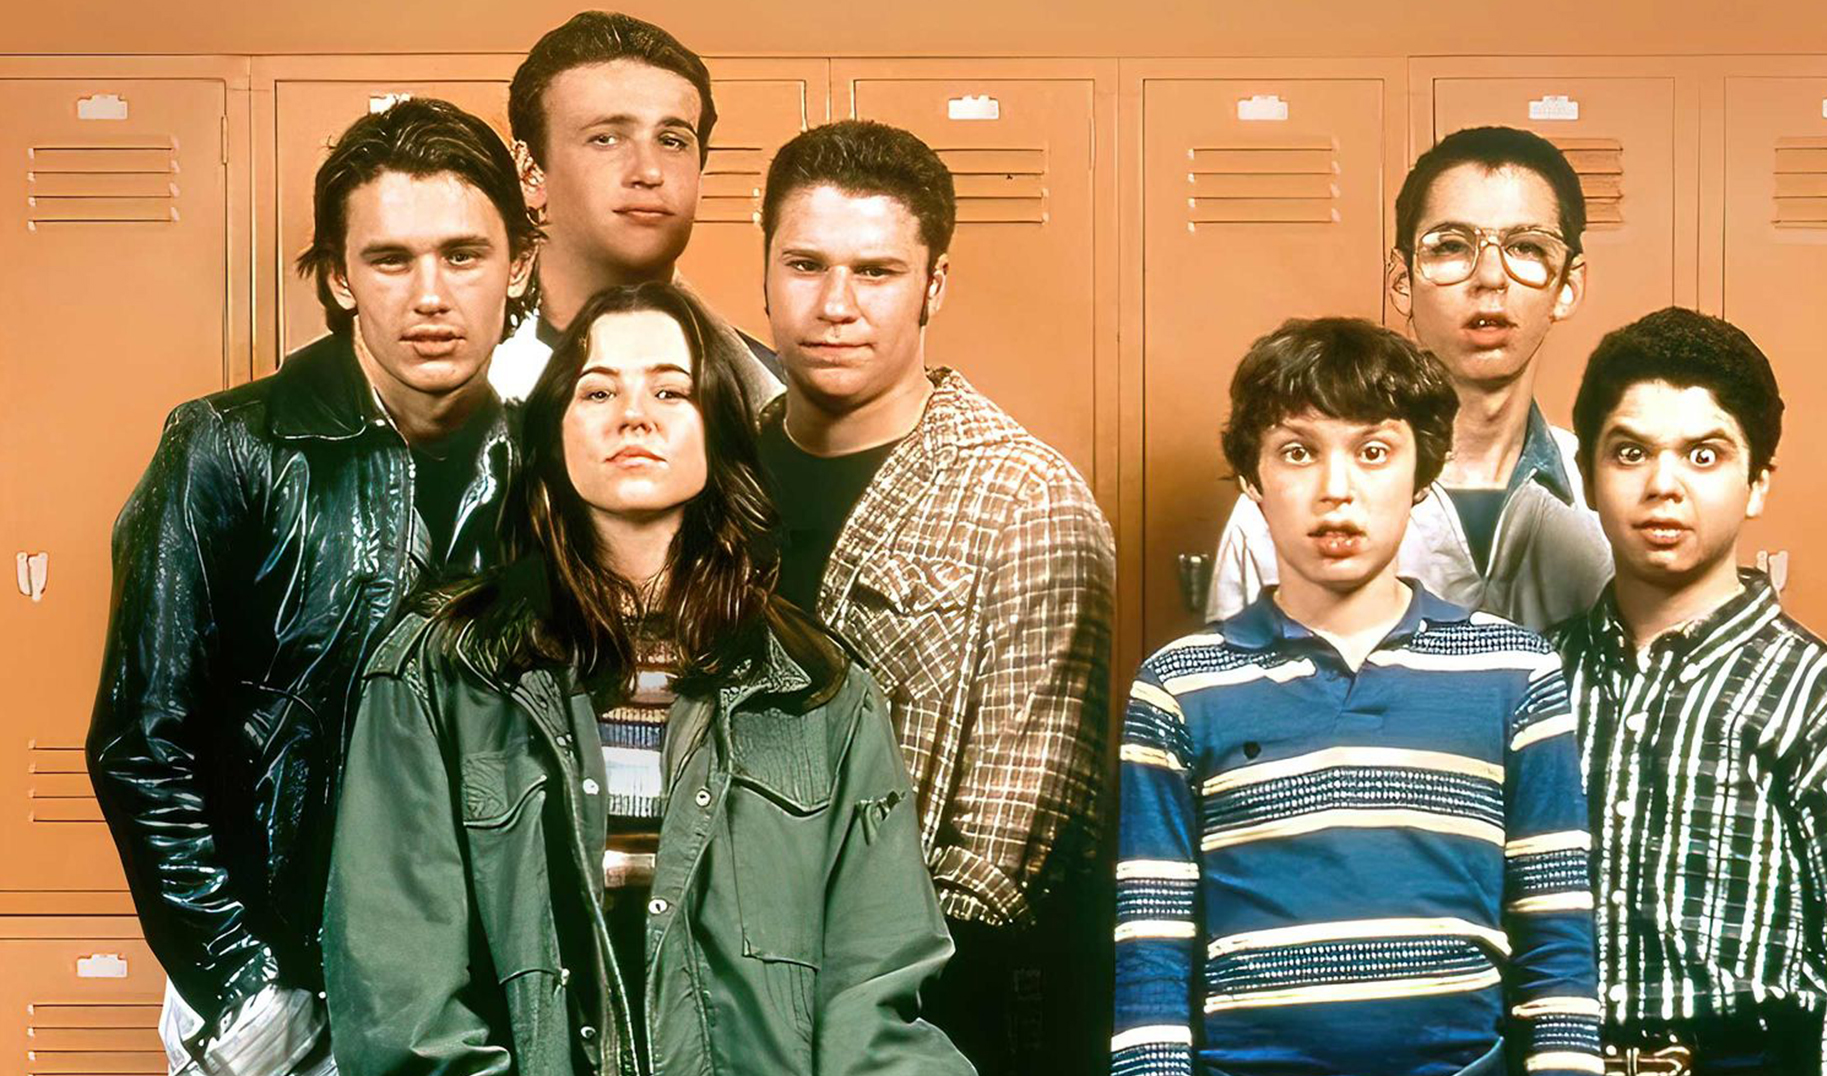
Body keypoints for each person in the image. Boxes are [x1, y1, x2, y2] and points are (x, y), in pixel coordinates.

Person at [324, 281, 972, 1076]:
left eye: (671, 389)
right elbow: (402, 1013)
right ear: (555, 432)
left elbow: (874, 1010)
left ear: (719, 431)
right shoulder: (442, 671)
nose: (635, 414)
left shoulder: (817, 691)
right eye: (598, 391)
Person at [86, 97, 535, 1076]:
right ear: (339, 277)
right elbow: (142, 744)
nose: (431, 296)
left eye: (464, 254)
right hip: (287, 996)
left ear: (521, 267)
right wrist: (244, 990)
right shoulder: (231, 448)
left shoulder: (549, 468)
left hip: (481, 1006)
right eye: (390, 259)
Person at [1115, 317, 1601, 1076]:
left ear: (1422, 474)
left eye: (1374, 452)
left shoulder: (1516, 672)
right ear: (1253, 478)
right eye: (1298, 453)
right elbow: (1152, 946)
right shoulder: (1180, 686)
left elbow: (1556, 933)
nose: (1336, 491)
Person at [753, 119, 1117, 1071]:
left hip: (919, 1018)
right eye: (805, 265)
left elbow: (1013, 857)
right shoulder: (711, 472)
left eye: (875, 271)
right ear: (765, 270)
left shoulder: (1025, 497)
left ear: (934, 286)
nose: (835, 304)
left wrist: (838, 1003)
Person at [1550, 307, 1827, 1076]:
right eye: (1630, 453)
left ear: (1757, 484)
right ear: (1587, 475)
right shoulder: (1537, 677)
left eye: (1704, 455)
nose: (1663, 485)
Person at [1207, 126, 1611, 632]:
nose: (1490, 277)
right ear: (1403, 282)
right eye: (1450, 246)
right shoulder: (1291, 503)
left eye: (1526, 246)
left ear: (1567, 286)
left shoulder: (1610, 497)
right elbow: (1225, 689)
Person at [492, 9, 782, 407]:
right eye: (606, 139)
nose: (649, 171)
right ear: (530, 173)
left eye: (672, 141)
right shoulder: (449, 375)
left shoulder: (770, 394)